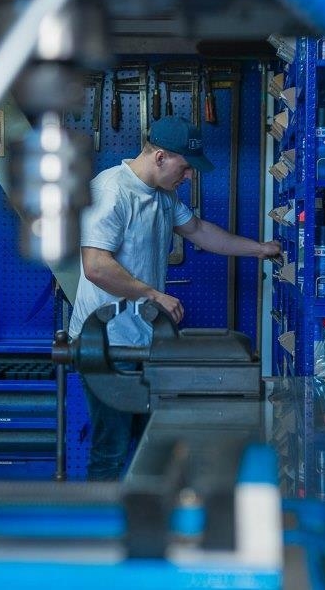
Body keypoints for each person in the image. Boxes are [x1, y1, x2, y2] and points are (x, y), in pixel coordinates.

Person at [68, 115, 280, 480]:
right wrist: (153, 295)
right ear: (161, 157)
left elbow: (198, 231)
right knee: (112, 449)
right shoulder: (111, 192)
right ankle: (101, 530)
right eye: (185, 167)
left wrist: (259, 249)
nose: (189, 176)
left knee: (147, 441)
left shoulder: (164, 195)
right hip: (107, 344)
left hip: (143, 342)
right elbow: (96, 266)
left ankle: (141, 523)